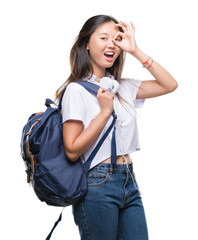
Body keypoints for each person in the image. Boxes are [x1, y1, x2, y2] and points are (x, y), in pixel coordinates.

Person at [55, 14, 178, 240]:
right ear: (86, 45)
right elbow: (72, 150)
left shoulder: (121, 86)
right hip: (97, 184)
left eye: (117, 39)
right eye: (103, 38)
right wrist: (103, 112)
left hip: (128, 179)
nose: (112, 44)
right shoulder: (76, 90)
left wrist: (135, 50)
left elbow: (169, 85)